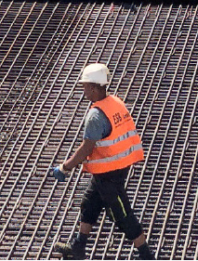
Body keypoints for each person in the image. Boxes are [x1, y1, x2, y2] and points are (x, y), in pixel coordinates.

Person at [51, 63, 156, 261]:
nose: (83, 90)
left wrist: (64, 167)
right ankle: (78, 247)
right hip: (114, 168)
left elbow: (87, 148)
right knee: (89, 204)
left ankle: (146, 255)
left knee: (122, 215)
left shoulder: (95, 115)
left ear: (93, 87)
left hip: (109, 173)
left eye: (85, 86)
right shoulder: (114, 102)